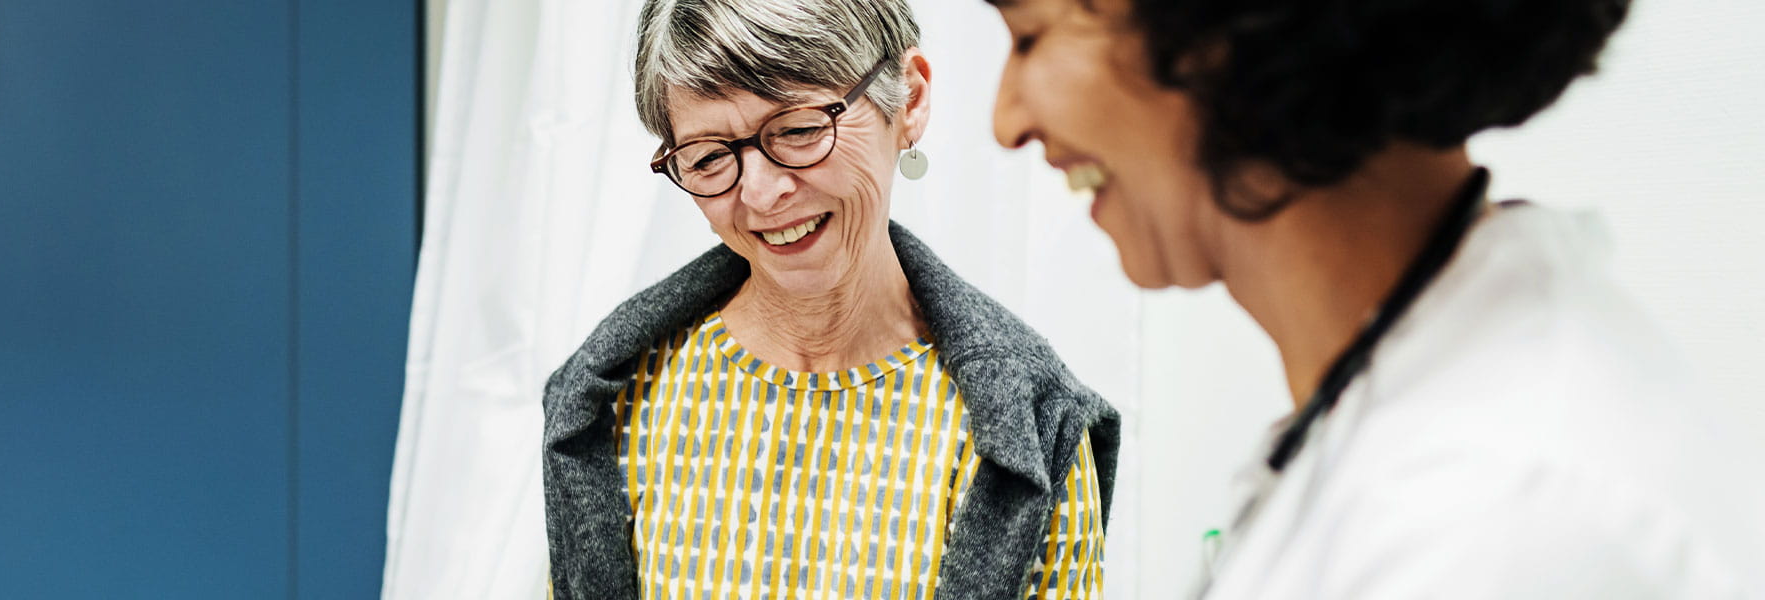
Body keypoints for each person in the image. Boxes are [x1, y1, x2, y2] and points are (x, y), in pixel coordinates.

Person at [984, 0, 1763, 597]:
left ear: (1220, 36)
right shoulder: (1418, 420)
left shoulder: (1495, 509)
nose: (1005, 120)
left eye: (1029, 39)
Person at [542, 1, 1121, 598]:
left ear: (909, 100)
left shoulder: (1034, 425)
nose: (763, 195)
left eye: (798, 130)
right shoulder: (609, 399)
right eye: (710, 157)